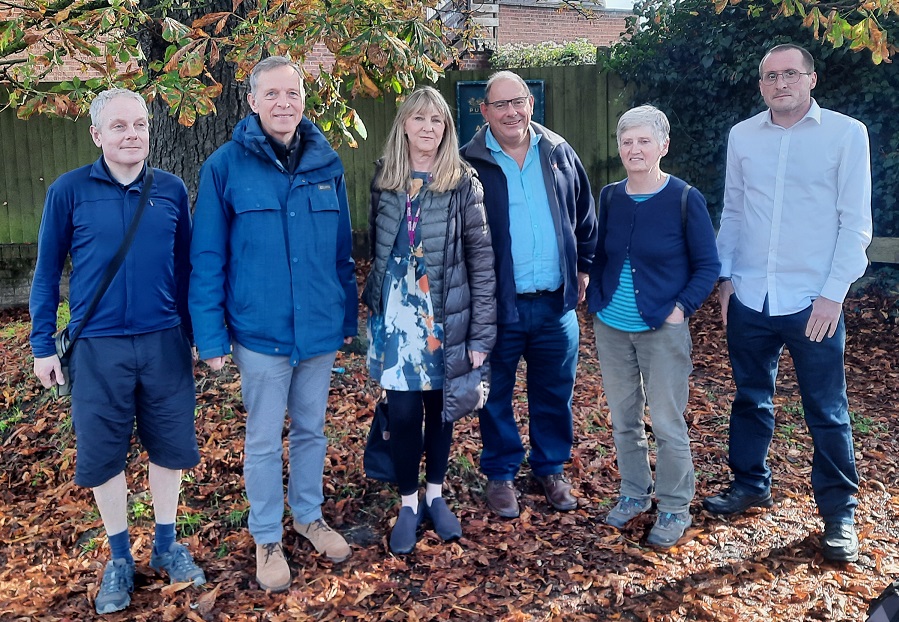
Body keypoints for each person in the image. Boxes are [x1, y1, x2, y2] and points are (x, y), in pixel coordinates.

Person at [29, 88, 205, 615]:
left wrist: (194, 338)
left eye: (141, 125)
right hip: (97, 350)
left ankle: (168, 545)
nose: (133, 135)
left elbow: (185, 272)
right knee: (103, 455)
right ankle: (120, 557)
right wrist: (42, 345)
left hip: (163, 343)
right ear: (97, 135)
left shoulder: (171, 190)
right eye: (121, 126)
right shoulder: (70, 192)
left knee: (171, 449)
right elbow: (45, 274)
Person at [189, 56, 358, 591]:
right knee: (263, 440)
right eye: (273, 94)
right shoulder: (224, 166)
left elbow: (341, 253)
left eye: (294, 93)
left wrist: (347, 316)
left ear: (304, 99)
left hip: (318, 331)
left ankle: (309, 516)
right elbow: (208, 256)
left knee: (311, 431)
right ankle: (266, 536)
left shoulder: (326, 161)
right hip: (260, 333)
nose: (284, 104)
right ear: (253, 101)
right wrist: (210, 336)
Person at [703, 43, 872, 563]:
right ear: (760, 85)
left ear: (811, 80)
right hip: (751, 295)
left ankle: (839, 514)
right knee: (750, 399)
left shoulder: (846, 134)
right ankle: (751, 483)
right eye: (771, 76)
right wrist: (727, 281)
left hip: (811, 302)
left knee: (826, 409)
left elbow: (855, 223)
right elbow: (733, 211)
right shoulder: (743, 136)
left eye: (791, 74)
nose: (781, 84)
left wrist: (832, 295)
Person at [362, 87, 496, 554]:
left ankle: (436, 495)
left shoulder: (463, 182)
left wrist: (481, 334)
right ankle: (407, 503)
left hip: (444, 311)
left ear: (446, 128)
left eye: (436, 121)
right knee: (401, 411)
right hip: (398, 313)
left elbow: (482, 262)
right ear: (404, 125)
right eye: (419, 119)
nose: (428, 128)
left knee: (441, 408)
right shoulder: (385, 178)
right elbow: (377, 254)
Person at [460, 70, 598, 518]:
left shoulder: (558, 152)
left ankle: (551, 469)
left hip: (555, 304)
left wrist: (583, 267)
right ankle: (500, 475)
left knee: (554, 392)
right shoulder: (468, 164)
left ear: (531, 104)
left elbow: (584, 215)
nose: (510, 112)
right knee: (495, 394)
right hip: (499, 307)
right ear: (484, 111)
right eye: (499, 105)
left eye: (517, 101)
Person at [586, 105, 720, 548]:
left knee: (665, 421)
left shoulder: (683, 198)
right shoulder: (610, 196)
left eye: (644, 141)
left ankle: (675, 506)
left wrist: (681, 308)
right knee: (624, 420)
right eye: (627, 142)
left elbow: (707, 266)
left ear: (662, 146)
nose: (634, 149)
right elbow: (602, 254)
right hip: (612, 327)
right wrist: (599, 300)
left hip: (662, 330)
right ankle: (633, 494)